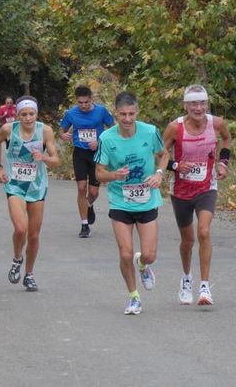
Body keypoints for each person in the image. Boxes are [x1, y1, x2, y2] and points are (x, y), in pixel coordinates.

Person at [95, 92, 169, 315]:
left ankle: (143, 265)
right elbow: (99, 174)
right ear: (115, 114)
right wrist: (114, 175)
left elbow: (163, 155)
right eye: (122, 114)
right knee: (125, 253)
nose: (127, 119)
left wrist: (159, 174)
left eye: (131, 114)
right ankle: (134, 297)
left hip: (147, 201)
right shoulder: (107, 139)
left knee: (149, 255)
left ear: (137, 112)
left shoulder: (149, 131)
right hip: (120, 202)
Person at [161, 84, 232, 306]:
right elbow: (159, 154)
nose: (198, 108)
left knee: (203, 231)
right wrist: (175, 165)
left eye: (202, 103)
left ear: (207, 104)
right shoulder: (175, 128)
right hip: (181, 190)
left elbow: (227, 140)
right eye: (193, 103)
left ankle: (205, 287)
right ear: (185, 105)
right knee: (188, 240)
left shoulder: (217, 123)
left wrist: (222, 163)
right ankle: (186, 278)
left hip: (206, 187)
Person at [0, 96, 61, 292]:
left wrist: (44, 157)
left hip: (37, 186)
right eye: (24, 114)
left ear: (37, 114)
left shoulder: (45, 131)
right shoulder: (8, 130)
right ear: (17, 115)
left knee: (33, 235)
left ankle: (29, 274)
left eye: (31, 114)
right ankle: (16, 259)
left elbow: (56, 160)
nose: (28, 118)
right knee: (20, 229)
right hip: (14, 185)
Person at [59, 85, 115, 238]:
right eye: (80, 103)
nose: (83, 105)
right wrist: (63, 135)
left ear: (91, 99)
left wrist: (99, 141)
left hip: (97, 154)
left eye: (86, 102)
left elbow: (113, 128)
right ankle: (84, 225)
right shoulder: (71, 113)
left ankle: (89, 205)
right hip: (80, 153)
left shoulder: (101, 111)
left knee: (93, 192)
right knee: (81, 188)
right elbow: (62, 130)